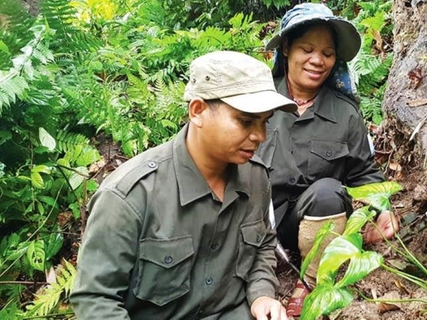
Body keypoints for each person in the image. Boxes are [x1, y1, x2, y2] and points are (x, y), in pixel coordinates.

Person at [70, 51, 298, 320]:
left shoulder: (255, 177)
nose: (260, 136)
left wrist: (261, 295)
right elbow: (95, 298)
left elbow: (262, 244)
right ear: (198, 111)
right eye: (246, 121)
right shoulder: (130, 196)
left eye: (264, 122)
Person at [258, 3, 399, 316]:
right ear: (286, 49)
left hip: (318, 219)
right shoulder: (257, 102)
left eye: (327, 53)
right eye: (307, 49)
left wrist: (381, 209)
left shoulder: (345, 114)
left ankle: (310, 281)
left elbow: (364, 173)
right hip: (258, 221)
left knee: (327, 192)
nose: (317, 60)